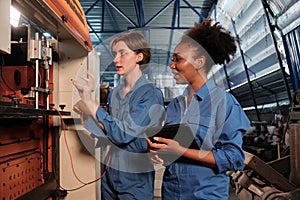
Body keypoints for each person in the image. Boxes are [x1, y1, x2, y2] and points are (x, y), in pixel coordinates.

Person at [147, 18, 250, 200]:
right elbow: (172, 149)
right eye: (172, 59)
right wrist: (160, 153)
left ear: (200, 62)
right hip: (171, 193)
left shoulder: (223, 103)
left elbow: (233, 158)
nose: (172, 65)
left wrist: (181, 151)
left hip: (205, 195)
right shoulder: (175, 105)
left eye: (178, 59)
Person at [72, 31, 165, 199]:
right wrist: (88, 120)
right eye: (115, 54)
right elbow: (109, 134)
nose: (116, 59)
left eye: (122, 53)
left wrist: (90, 102)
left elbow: (124, 134)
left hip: (135, 178)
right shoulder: (115, 93)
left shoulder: (150, 94)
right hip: (110, 173)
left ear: (139, 57)